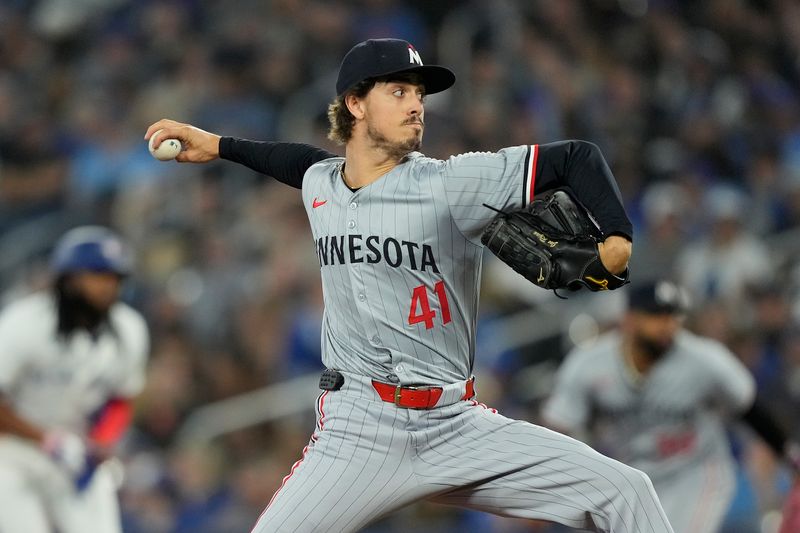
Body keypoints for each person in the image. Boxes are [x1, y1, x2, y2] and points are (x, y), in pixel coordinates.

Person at [146, 38, 673, 532]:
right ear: (354, 103)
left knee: (626, 490)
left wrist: (618, 237)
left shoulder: (450, 182)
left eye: (419, 94)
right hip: (359, 431)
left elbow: (577, 157)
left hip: (455, 423)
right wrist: (216, 145)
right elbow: (292, 161)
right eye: (398, 91)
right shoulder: (321, 183)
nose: (416, 105)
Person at [541, 279, 800, 533]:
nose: (668, 326)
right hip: (635, 477)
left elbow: (749, 408)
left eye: (672, 316)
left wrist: (790, 456)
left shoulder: (702, 358)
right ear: (630, 319)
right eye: (656, 316)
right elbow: (558, 427)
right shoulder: (589, 365)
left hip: (697, 473)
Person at [0, 226, 150, 533]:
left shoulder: (130, 329)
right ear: (68, 280)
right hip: (14, 454)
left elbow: (121, 399)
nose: (108, 286)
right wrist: (47, 441)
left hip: (77, 456)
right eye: (97, 276)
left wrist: (101, 441)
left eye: (114, 278)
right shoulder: (24, 322)